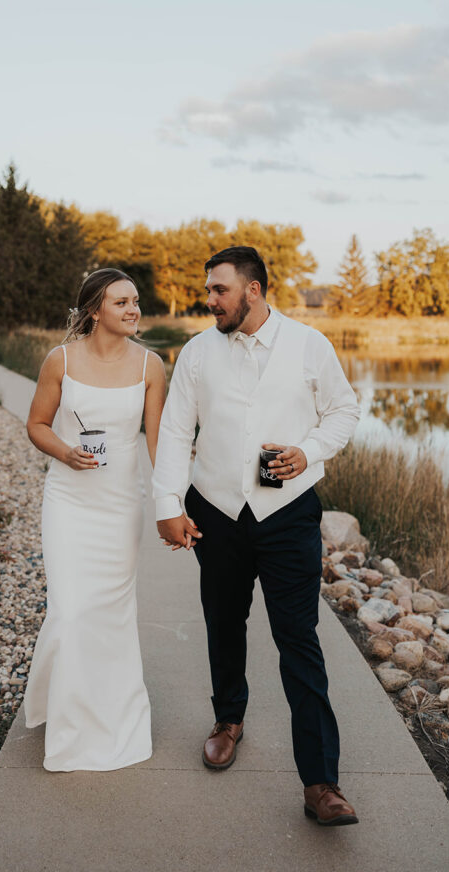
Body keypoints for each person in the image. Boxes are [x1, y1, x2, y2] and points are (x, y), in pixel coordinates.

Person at [152, 246, 361, 826]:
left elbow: (344, 411)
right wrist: (168, 504)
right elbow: (174, 432)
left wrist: (309, 451)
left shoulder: (310, 346)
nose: (209, 299)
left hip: (288, 514)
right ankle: (228, 719)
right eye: (209, 289)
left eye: (219, 289)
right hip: (215, 510)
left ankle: (321, 782)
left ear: (254, 289)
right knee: (223, 620)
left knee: (299, 639)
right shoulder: (197, 352)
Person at [24, 268, 166, 771]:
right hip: (69, 502)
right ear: (94, 310)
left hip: (120, 506)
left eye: (135, 302)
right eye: (122, 302)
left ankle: (115, 718)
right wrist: (65, 452)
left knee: (112, 614)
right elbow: (36, 425)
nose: (133, 310)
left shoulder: (152, 366)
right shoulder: (59, 360)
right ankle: (67, 721)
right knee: (70, 611)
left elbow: (157, 444)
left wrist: (175, 502)